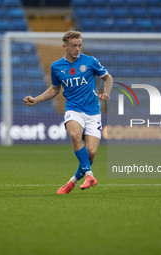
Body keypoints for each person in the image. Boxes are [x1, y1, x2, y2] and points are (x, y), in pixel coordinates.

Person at [24, 31, 113, 194]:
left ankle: (72, 182)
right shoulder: (56, 67)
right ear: (65, 46)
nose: (77, 49)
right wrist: (36, 99)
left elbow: (108, 77)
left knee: (91, 152)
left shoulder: (90, 61)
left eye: (79, 45)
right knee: (74, 135)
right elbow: (54, 89)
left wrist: (106, 92)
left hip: (93, 112)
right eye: (74, 46)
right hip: (73, 109)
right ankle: (90, 175)